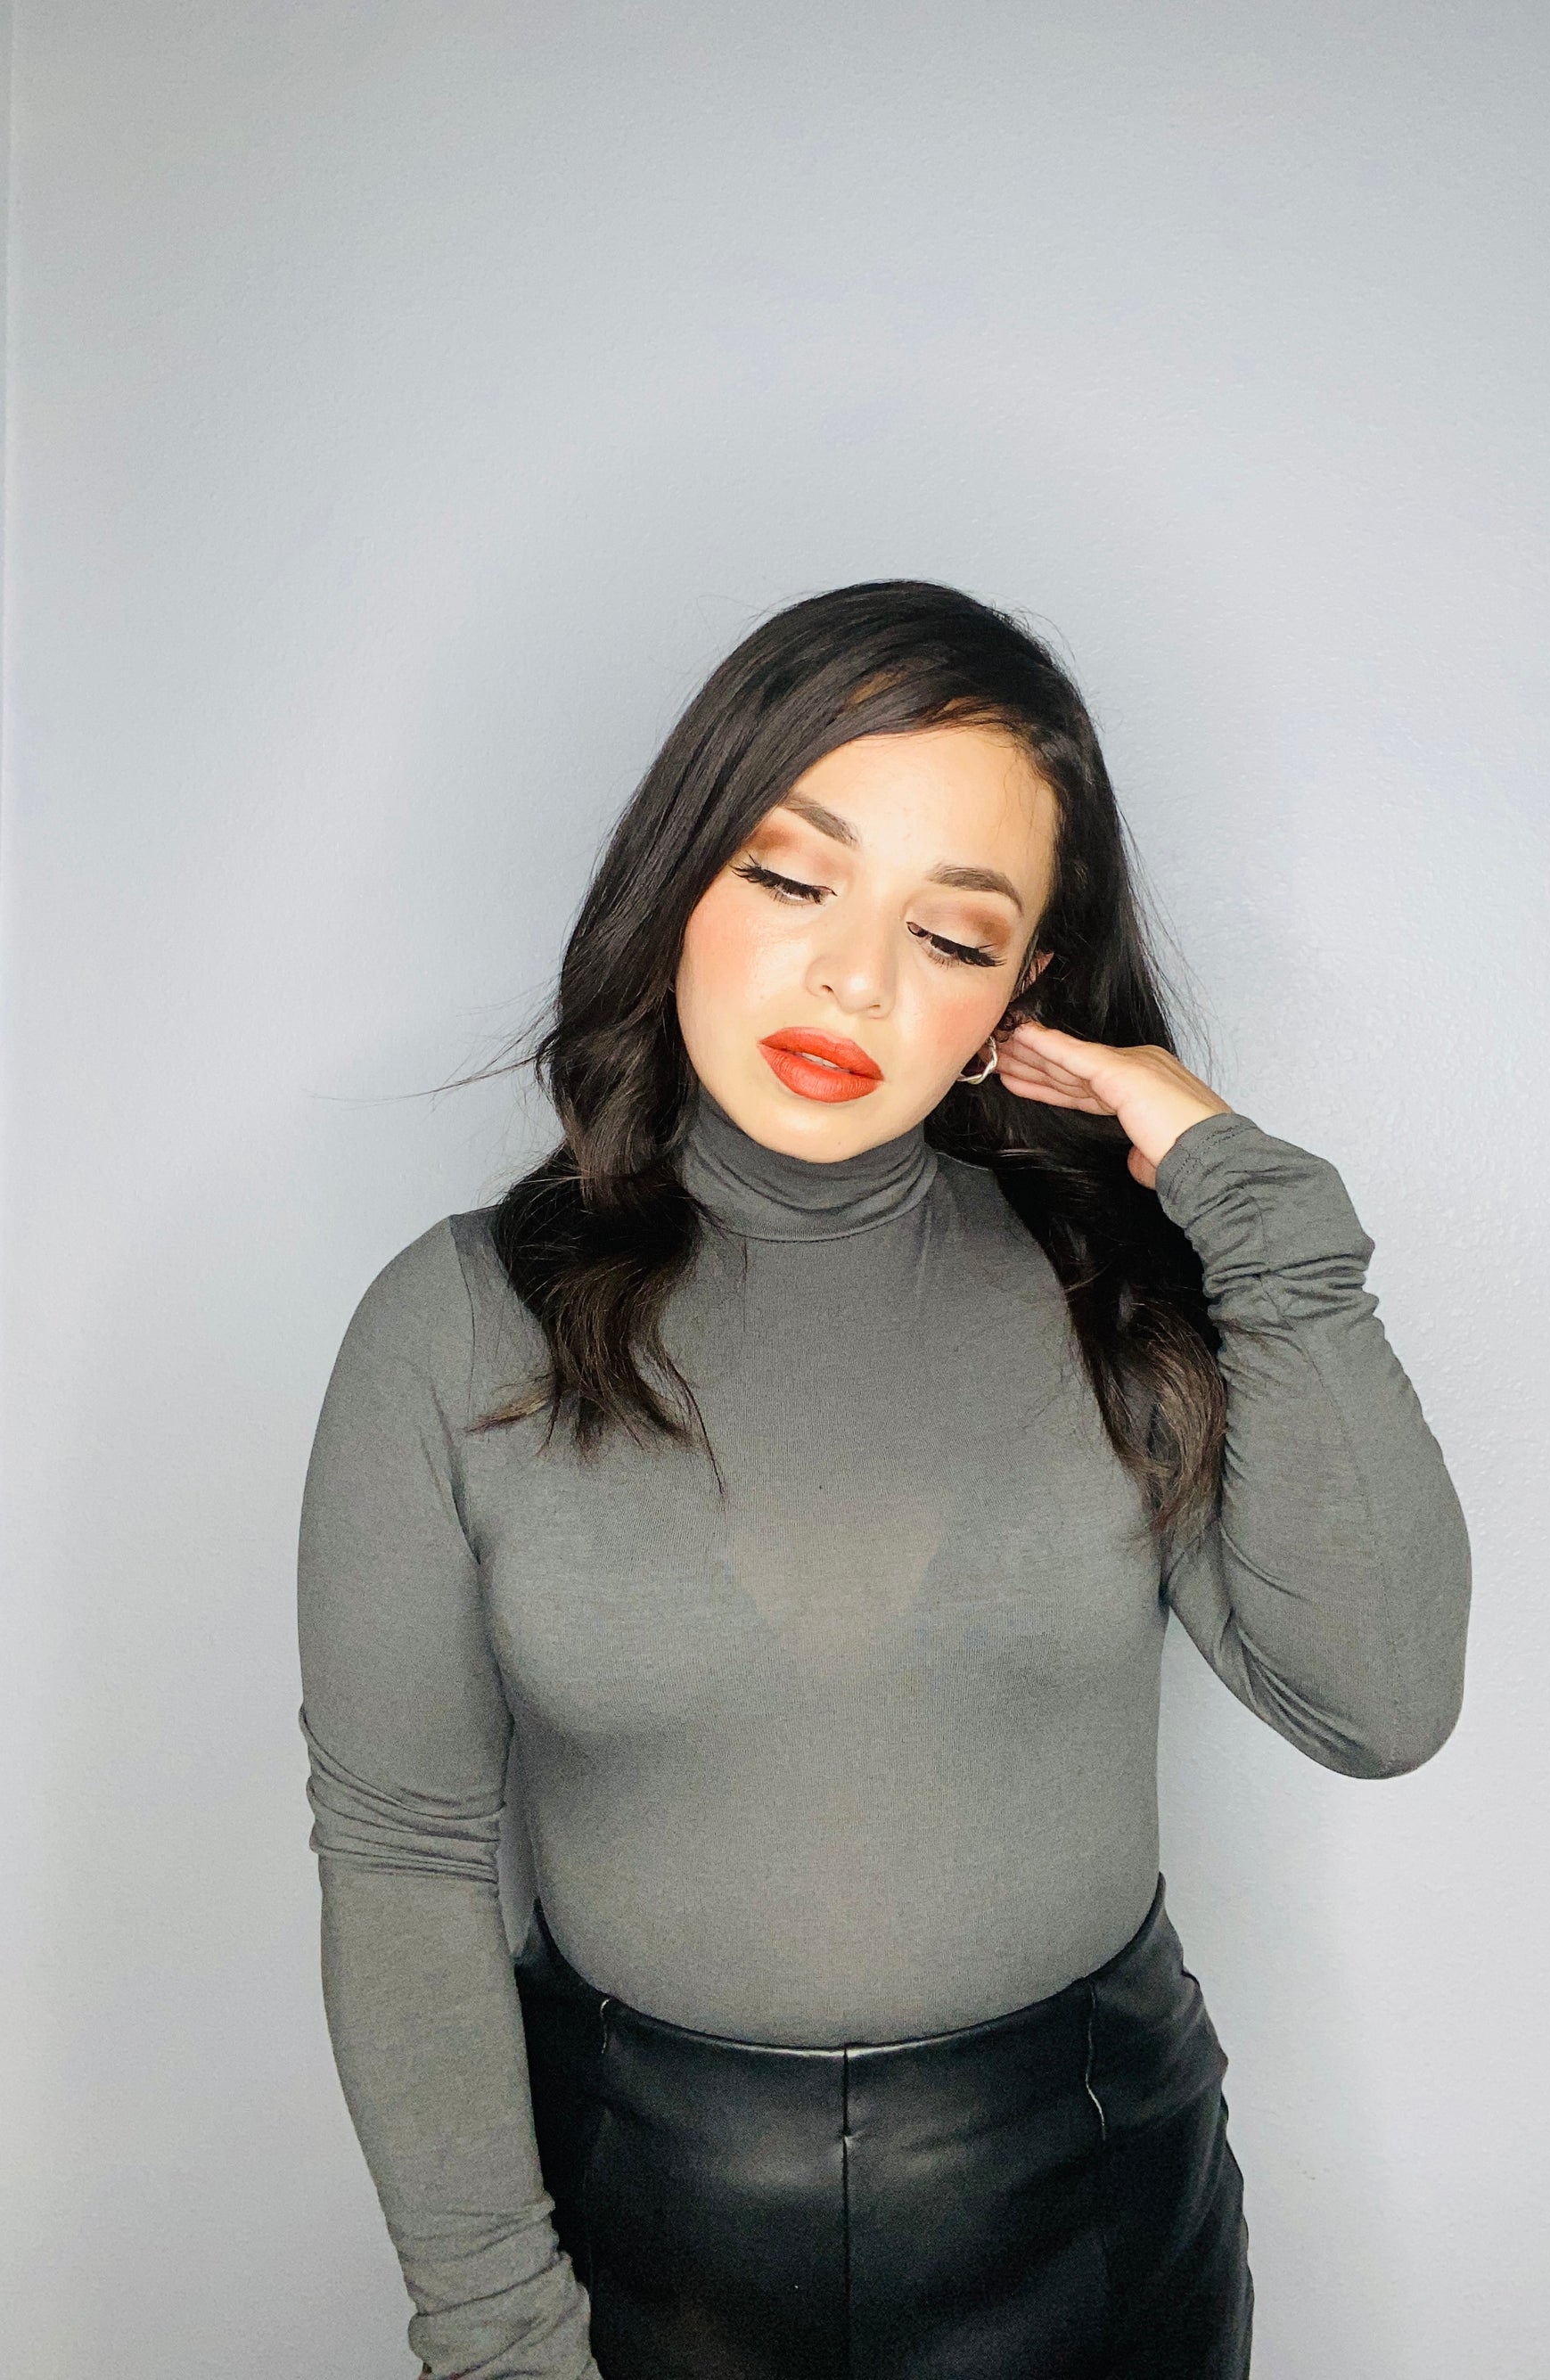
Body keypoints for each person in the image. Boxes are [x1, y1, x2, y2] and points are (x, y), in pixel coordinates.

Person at [297, 579, 1472, 2380]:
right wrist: (496, 2333)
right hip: (633, 2239)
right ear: (681, 874)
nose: (856, 977)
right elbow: (405, 1855)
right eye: (792, 878)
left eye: (950, 932)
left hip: (1092, 2233)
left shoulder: (1110, 1295)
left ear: (1025, 990)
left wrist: (1252, 1205)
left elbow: (1377, 1704)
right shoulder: (454, 1327)